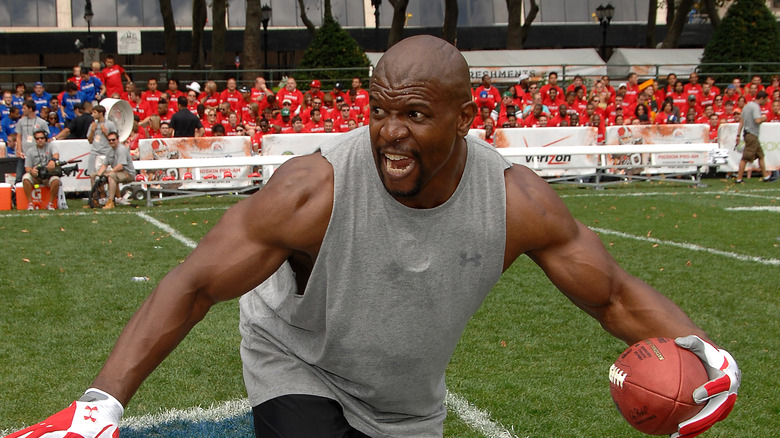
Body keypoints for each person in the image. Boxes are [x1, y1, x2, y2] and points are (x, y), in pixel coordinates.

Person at [6, 35, 739, 438]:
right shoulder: (312, 188)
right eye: (380, 109)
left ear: (463, 116)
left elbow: (610, 296)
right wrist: (102, 403)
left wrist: (704, 353)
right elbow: (193, 283)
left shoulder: (517, 201)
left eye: (415, 115)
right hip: (300, 362)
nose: (390, 132)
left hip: (405, 400)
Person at [734, 90, 775, 183]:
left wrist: (738, 134)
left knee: (761, 155)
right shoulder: (756, 107)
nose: (766, 102)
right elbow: (757, 120)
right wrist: (764, 118)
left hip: (748, 134)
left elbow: (741, 121)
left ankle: (766, 177)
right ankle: (739, 179)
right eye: (765, 100)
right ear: (761, 98)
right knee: (745, 158)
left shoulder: (747, 106)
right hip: (752, 135)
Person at [95, 130, 136, 209]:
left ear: (118, 139)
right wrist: (98, 175)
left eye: (113, 139)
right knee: (93, 175)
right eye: (109, 140)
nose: (111, 141)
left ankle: (111, 201)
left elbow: (120, 166)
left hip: (128, 173)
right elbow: (104, 165)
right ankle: (95, 200)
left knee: (111, 176)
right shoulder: (109, 150)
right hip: (118, 172)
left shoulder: (121, 149)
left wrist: (109, 173)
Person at [21, 128, 60, 211]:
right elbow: (27, 167)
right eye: (37, 138)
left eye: (42, 138)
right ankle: (30, 203)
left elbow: (56, 154)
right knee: (25, 178)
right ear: (35, 140)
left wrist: (52, 161)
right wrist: (31, 171)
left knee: (56, 180)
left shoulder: (51, 146)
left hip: (48, 174)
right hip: (36, 175)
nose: (40, 140)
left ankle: (51, 203)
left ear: (45, 138)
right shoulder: (30, 151)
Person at [86, 104, 117, 188]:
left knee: (110, 175)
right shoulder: (93, 125)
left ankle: (114, 196)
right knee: (93, 175)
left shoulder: (110, 124)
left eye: (95, 112)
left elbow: (114, 139)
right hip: (95, 153)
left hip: (107, 153)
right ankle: (96, 196)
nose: (93, 114)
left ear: (100, 113)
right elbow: (89, 140)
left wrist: (105, 132)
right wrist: (92, 130)